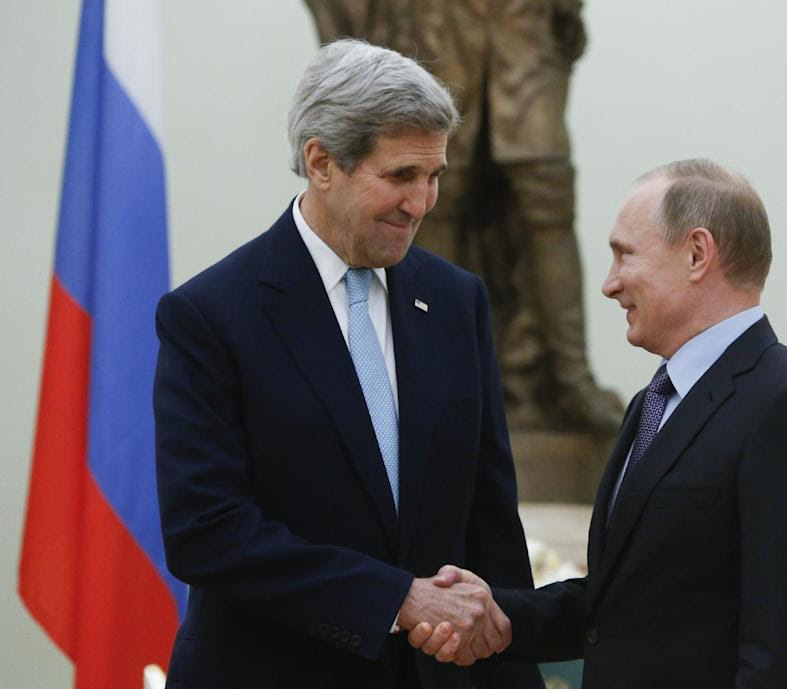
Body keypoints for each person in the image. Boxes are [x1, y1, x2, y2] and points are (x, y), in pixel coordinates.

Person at [153, 39, 544, 689]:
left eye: (434, 176)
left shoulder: (456, 301)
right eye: (400, 176)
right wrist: (395, 598)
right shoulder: (212, 315)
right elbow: (207, 530)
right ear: (321, 162)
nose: (421, 202)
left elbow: (490, 522)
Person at [412, 159, 787, 688]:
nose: (609, 284)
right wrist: (499, 616)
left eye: (624, 254)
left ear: (697, 254)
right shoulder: (653, 402)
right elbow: (622, 605)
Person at [302, 0, 624, 432]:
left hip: (526, 40)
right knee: (436, 203)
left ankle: (571, 377)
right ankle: (431, 377)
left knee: (547, 201)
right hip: (438, 34)